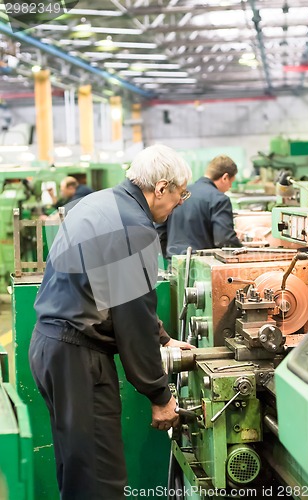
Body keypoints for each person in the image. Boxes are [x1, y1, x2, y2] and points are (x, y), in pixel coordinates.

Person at [28, 144, 193, 500]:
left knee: (79, 473)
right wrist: (159, 393)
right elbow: (131, 318)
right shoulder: (134, 228)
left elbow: (118, 293)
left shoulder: (98, 203)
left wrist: (163, 338)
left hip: (50, 347)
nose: (181, 202)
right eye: (181, 194)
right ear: (161, 187)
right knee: (100, 482)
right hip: (78, 359)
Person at [157, 154, 242, 258]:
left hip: (174, 261)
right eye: (231, 182)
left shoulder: (179, 193)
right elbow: (224, 240)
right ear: (225, 178)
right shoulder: (219, 199)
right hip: (201, 265)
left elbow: (160, 228)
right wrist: (242, 250)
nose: (229, 187)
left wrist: (169, 255)